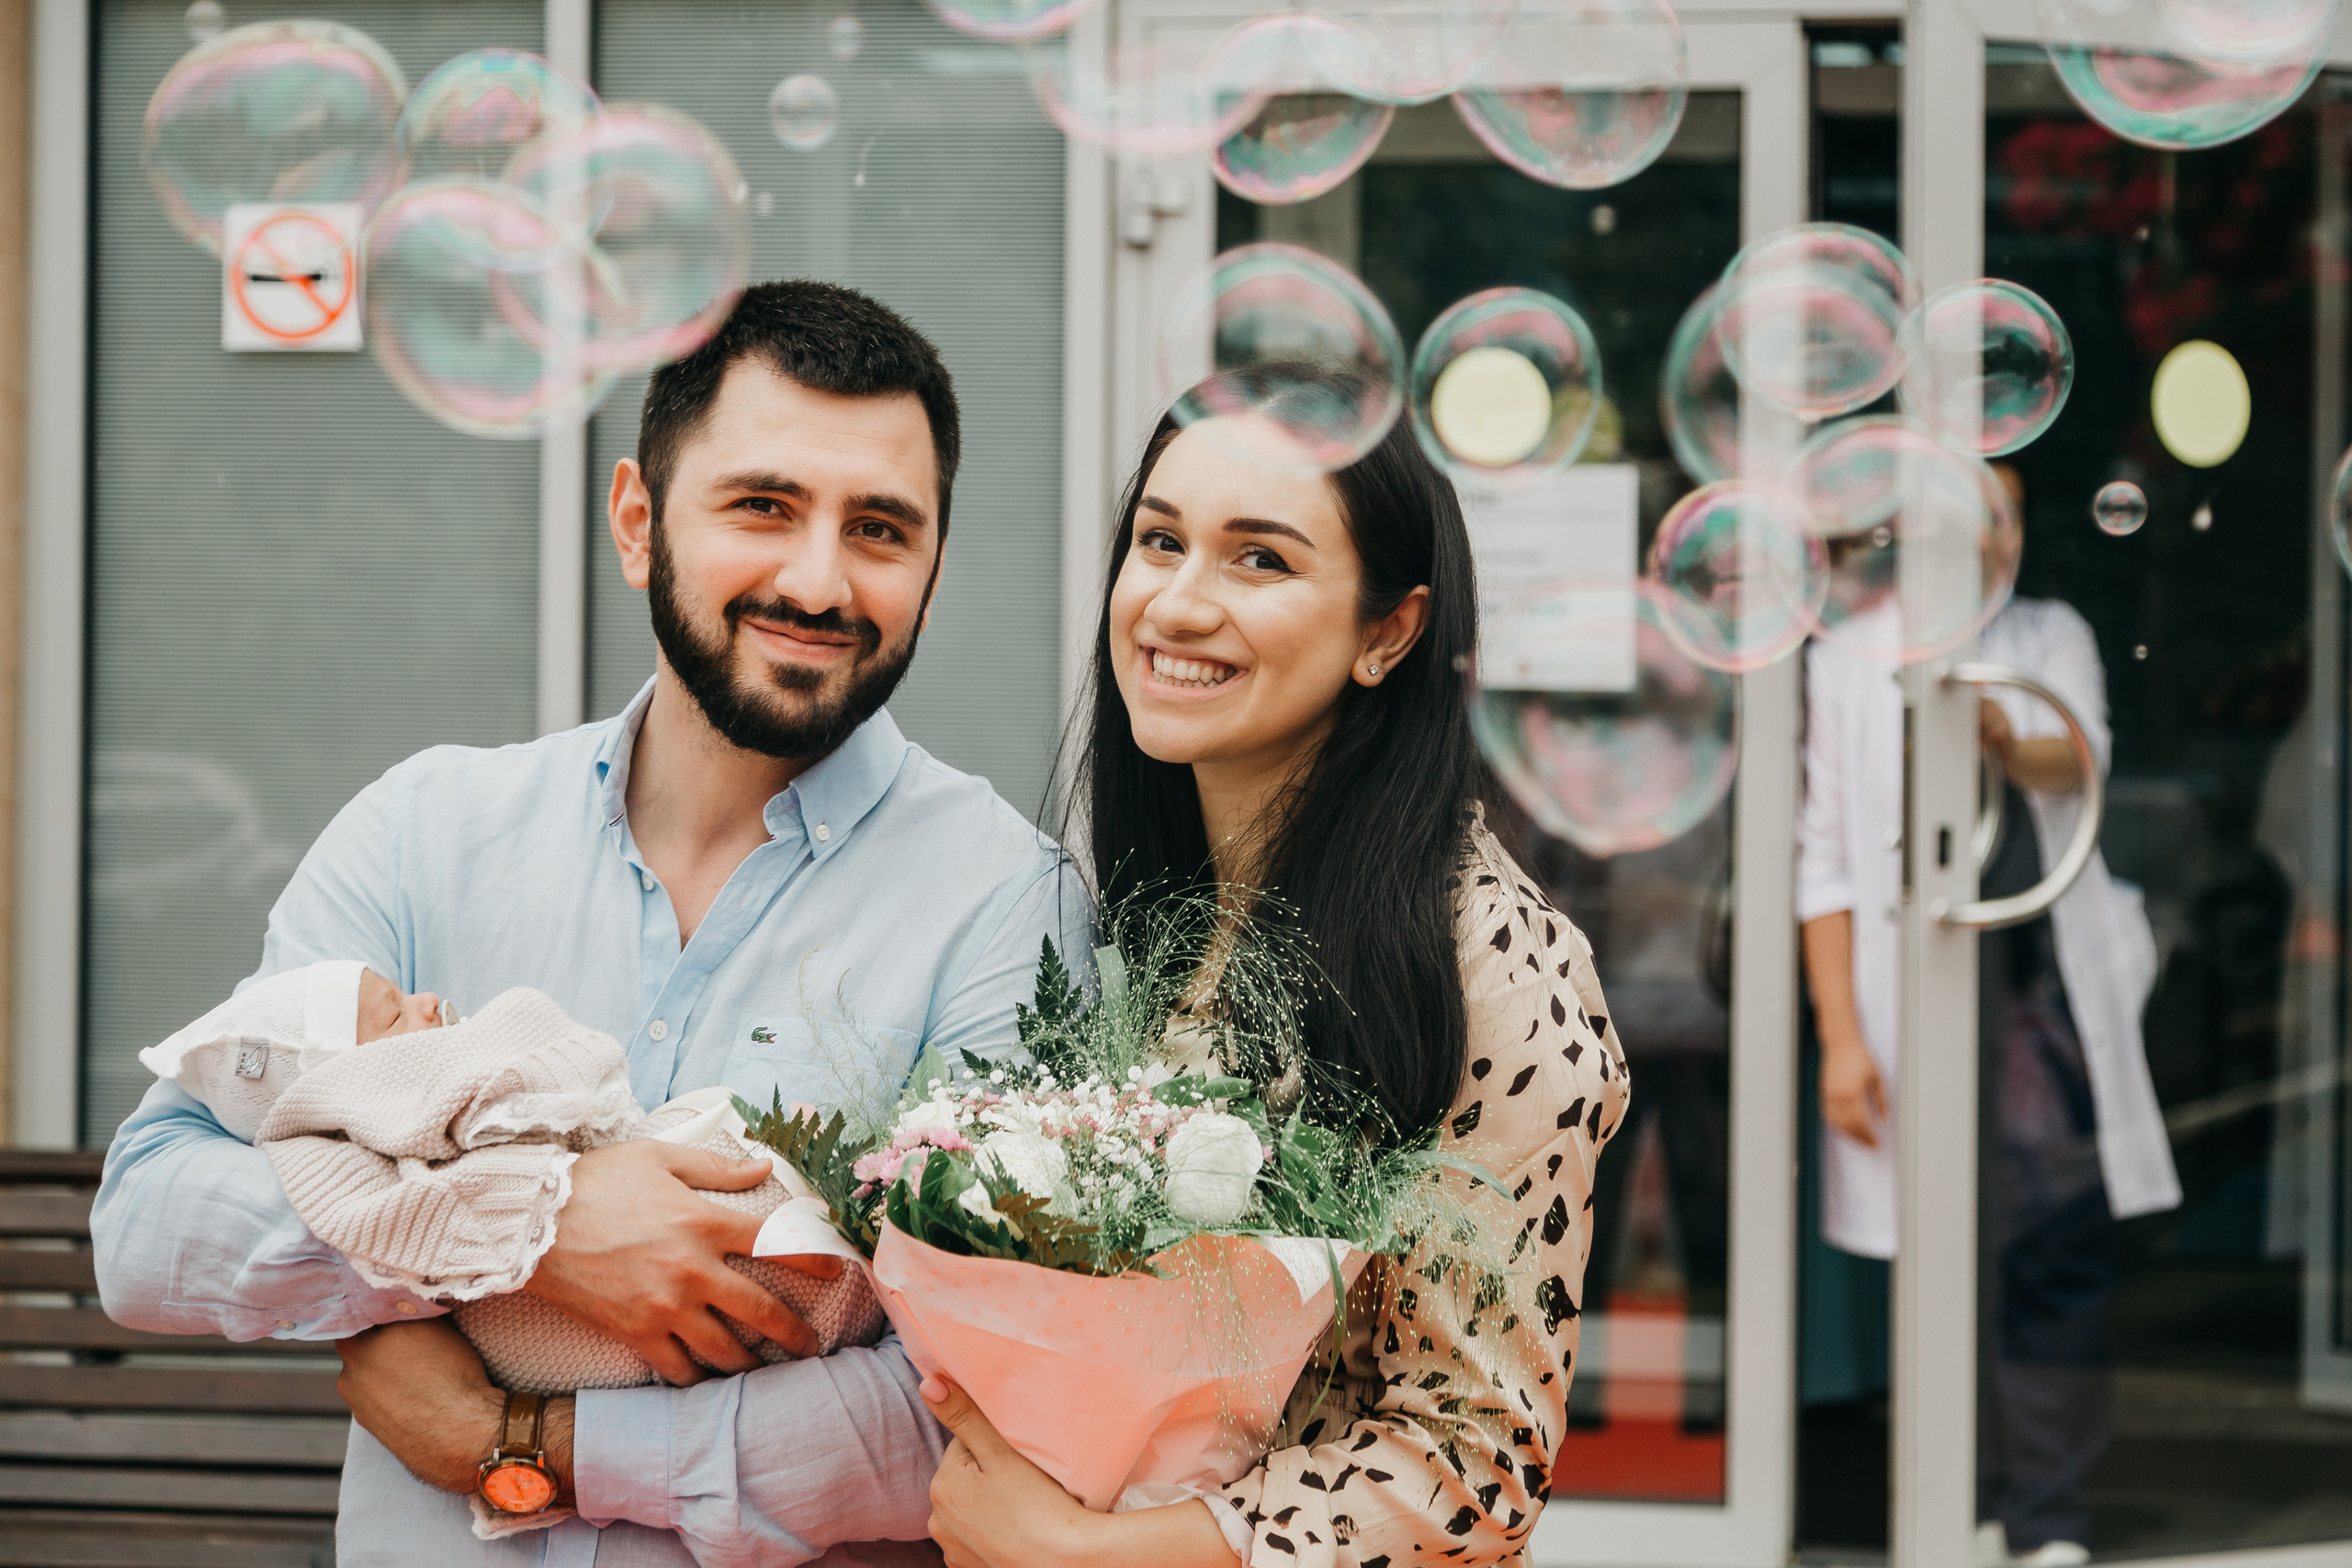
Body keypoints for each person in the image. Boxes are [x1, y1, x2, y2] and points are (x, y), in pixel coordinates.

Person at [93, 280, 1091, 1568]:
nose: (817, 576)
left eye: (882, 528)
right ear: (636, 520)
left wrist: (519, 1443)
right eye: (763, 505)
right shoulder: (421, 829)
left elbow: (959, 1414)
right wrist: (536, 1225)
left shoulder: (1013, 903)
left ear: (934, 565)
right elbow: (152, 1222)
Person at [918, 403, 1630, 1568]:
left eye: (1260, 558)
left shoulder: (1493, 966)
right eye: (1158, 541)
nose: (1178, 602)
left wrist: (1086, 1555)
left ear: (1389, 632)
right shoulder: (1150, 919)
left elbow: (1474, 1466)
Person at [1795, 465, 2179, 1565]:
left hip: (2034, 987)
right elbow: (1820, 858)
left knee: (2050, 1244)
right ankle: (1950, 1507)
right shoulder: (1845, 652)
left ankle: (2046, 1520)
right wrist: (1840, 1036)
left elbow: (2078, 756)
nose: (1981, 534)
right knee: (1935, 1257)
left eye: (2002, 512)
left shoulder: (2046, 634)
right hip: (1908, 986)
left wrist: (1990, 722)